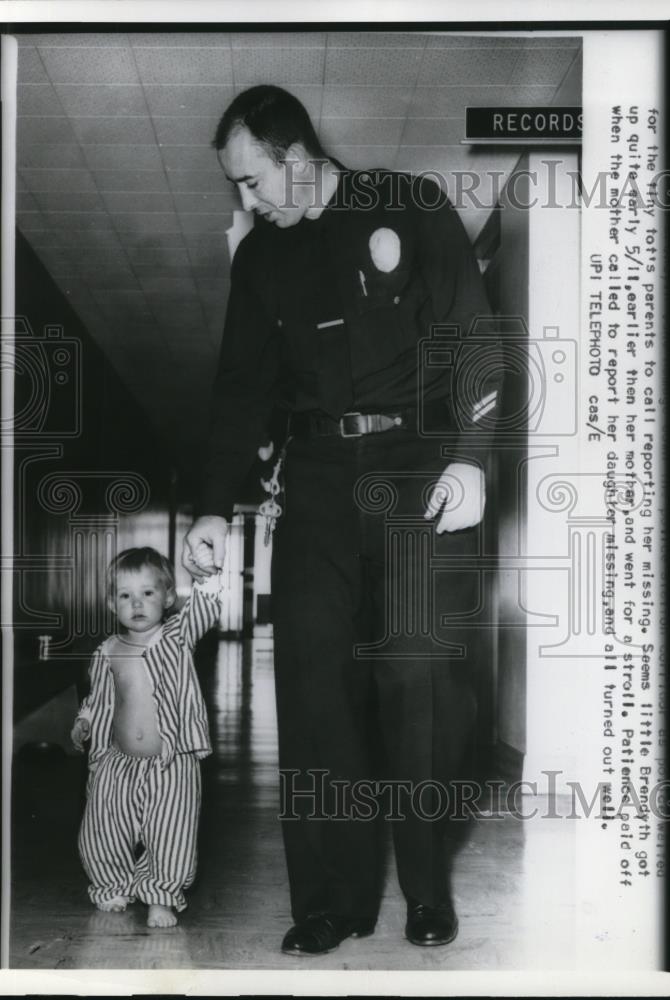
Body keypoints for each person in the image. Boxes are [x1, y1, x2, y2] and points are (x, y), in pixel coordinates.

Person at [183, 85, 502, 955]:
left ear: (296, 157)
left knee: (418, 684)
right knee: (317, 692)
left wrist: (473, 458)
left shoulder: (408, 205)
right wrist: (214, 507)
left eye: (251, 182)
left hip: (414, 471)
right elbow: (240, 391)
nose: (244, 204)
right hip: (318, 479)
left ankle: (428, 889)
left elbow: (473, 339)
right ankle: (330, 900)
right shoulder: (261, 263)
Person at [71, 547, 221, 928]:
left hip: (171, 763)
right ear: (111, 603)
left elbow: (204, 608)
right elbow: (99, 697)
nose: (137, 603)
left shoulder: (176, 636)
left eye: (148, 593)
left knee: (171, 835)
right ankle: (112, 884)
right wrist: (85, 721)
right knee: (102, 830)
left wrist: (205, 575)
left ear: (169, 597)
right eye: (125, 595)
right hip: (117, 764)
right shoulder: (108, 650)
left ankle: (160, 895)